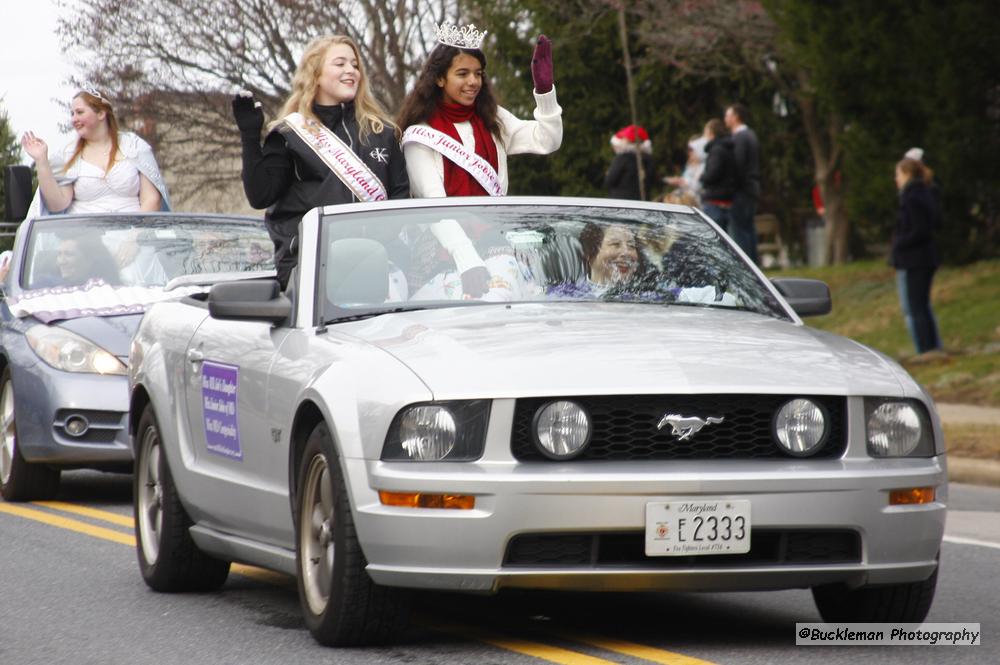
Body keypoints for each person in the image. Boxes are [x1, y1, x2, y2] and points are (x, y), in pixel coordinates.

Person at [396, 23, 562, 295]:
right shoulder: (420, 135)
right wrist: (468, 261)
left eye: (478, 74)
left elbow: (547, 140)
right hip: (441, 253)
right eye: (462, 73)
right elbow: (434, 205)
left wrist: (544, 93)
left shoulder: (493, 119)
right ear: (440, 78)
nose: (473, 82)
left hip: (494, 241)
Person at [233, 34, 409, 288]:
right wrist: (250, 136)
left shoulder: (383, 133)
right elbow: (260, 196)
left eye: (355, 65)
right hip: (311, 267)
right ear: (315, 74)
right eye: (340, 64)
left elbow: (400, 199)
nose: (351, 70)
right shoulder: (290, 134)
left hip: (379, 266)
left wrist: (371, 250)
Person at [20, 87, 170, 218]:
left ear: (101, 114)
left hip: (132, 239)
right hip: (83, 242)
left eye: (79, 112)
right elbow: (57, 205)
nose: (74, 119)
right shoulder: (68, 154)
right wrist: (41, 161)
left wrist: (133, 239)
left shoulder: (134, 147)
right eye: (72, 114)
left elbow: (151, 200)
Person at [892, 157, 943, 355]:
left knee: (915, 308)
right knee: (922, 306)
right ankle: (932, 347)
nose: (895, 179)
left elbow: (920, 229)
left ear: (906, 174)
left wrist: (899, 244)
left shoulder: (913, 197)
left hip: (915, 259)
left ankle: (925, 350)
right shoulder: (924, 192)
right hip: (923, 258)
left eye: (897, 175)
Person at [724, 103, 760, 263]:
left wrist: (730, 187)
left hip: (743, 189)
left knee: (740, 229)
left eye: (727, 116)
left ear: (735, 117)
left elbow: (738, 165)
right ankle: (754, 263)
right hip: (752, 187)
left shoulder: (740, 137)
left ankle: (747, 264)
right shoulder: (751, 134)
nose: (725, 119)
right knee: (749, 228)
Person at [698, 118, 736, 233]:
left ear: (711, 132)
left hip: (715, 201)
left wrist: (702, 177)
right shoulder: (728, 148)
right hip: (726, 200)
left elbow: (713, 174)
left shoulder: (716, 150)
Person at [605, 125, 657, 201]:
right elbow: (653, 181)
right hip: (642, 203)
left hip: (621, 202)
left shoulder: (622, 159)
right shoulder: (649, 159)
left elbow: (610, 181)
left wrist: (608, 174)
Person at [663, 134, 706, 205]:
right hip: (686, 199)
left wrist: (680, 181)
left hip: (696, 202)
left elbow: (697, 186)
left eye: (691, 149)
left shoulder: (704, 166)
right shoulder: (689, 165)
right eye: (688, 150)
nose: (689, 152)